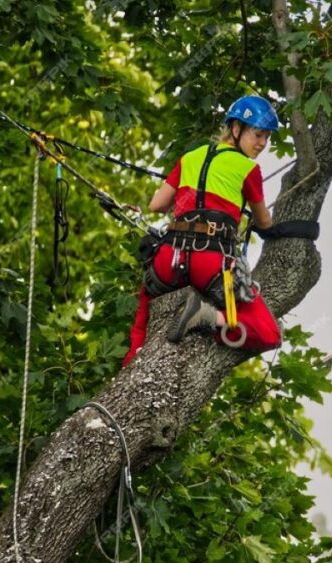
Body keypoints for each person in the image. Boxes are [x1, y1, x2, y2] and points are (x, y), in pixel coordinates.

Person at [122, 95, 283, 367]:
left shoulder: (189, 158)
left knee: (142, 320)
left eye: (267, 137)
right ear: (236, 128)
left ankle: (130, 367)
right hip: (210, 262)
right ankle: (209, 317)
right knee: (269, 333)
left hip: (168, 260)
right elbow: (264, 222)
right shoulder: (248, 169)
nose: (262, 144)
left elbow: (157, 205)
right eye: (258, 134)